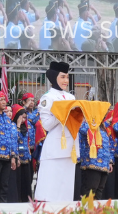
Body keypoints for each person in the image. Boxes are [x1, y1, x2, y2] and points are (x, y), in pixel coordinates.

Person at [34, 61, 77, 202]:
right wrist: (62, 114)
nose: (66, 81)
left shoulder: (71, 97)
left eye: (67, 77)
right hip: (55, 148)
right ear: (54, 78)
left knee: (66, 189)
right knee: (50, 188)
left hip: (70, 147)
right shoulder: (48, 97)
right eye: (62, 77)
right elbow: (46, 125)